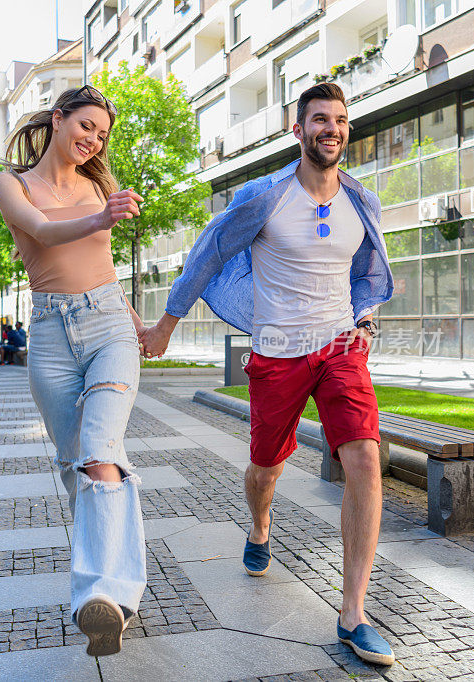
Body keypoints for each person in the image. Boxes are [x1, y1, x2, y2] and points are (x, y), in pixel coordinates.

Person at [140, 83, 395, 666]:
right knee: (266, 466)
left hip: (338, 348)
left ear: (346, 130)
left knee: (362, 456)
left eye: (339, 120)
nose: (330, 129)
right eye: (319, 120)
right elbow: (207, 253)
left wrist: (364, 318)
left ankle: (353, 611)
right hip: (277, 350)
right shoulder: (265, 196)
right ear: (298, 130)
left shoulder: (363, 202)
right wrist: (165, 327)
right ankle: (260, 527)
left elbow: (366, 271)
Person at [0, 85, 146, 657]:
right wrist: (101, 216)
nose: (93, 140)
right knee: (76, 465)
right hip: (51, 335)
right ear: (58, 120)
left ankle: (97, 599)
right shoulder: (12, 182)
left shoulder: (98, 185)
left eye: (102, 135)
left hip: (108, 325)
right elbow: (42, 231)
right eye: (86, 126)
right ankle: (118, 599)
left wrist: (140, 325)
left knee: (101, 451)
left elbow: (104, 266)